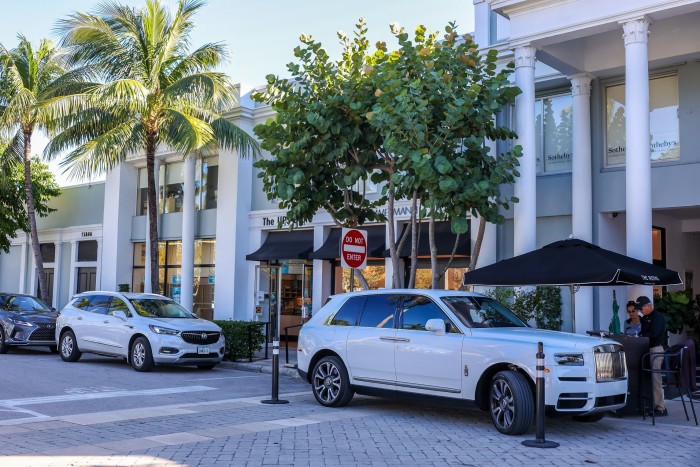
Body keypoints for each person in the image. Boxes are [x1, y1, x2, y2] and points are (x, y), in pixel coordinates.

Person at [638, 295, 667, 417]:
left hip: (656, 349)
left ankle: (660, 408)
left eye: (641, 308)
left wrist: (642, 335)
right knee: (647, 378)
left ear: (648, 306)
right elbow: (643, 333)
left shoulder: (658, 317)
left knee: (656, 378)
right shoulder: (645, 318)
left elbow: (654, 334)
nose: (640, 311)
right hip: (646, 348)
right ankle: (650, 405)